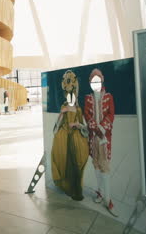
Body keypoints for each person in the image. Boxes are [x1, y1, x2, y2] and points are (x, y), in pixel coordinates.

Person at [84, 68, 117, 217]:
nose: (95, 82)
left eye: (97, 80)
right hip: (93, 137)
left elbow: (111, 114)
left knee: (105, 166)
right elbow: (87, 114)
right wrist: (94, 127)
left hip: (103, 138)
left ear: (102, 80)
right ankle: (100, 192)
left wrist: (101, 128)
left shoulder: (109, 96)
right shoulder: (88, 98)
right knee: (96, 163)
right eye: (92, 80)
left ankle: (108, 198)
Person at [51, 70, 89, 201]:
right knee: (64, 161)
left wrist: (77, 125)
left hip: (76, 139)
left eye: (71, 94)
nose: (70, 96)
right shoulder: (64, 106)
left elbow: (84, 127)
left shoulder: (78, 109)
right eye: (68, 94)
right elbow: (57, 124)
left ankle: (76, 190)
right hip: (64, 138)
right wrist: (62, 113)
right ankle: (68, 188)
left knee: (76, 163)